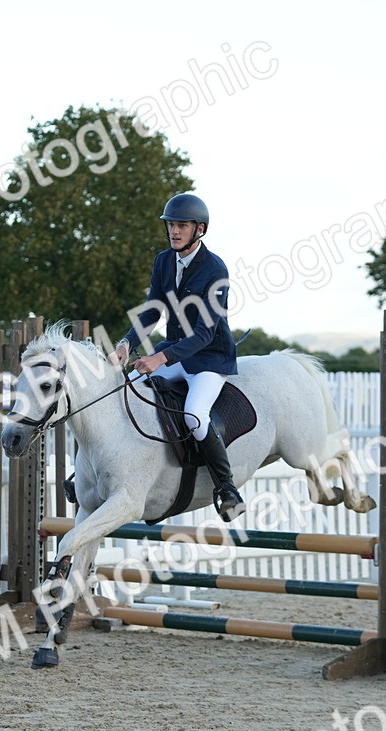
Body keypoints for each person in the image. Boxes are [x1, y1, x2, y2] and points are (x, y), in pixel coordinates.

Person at [112, 192, 245, 522]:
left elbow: (204, 334)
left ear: (199, 229)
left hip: (209, 359)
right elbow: (152, 312)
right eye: (171, 224)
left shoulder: (215, 270)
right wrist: (128, 343)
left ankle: (226, 489)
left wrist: (160, 359)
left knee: (195, 414)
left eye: (181, 225)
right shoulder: (163, 261)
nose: (174, 231)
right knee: (124, 387)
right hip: (174, 353)